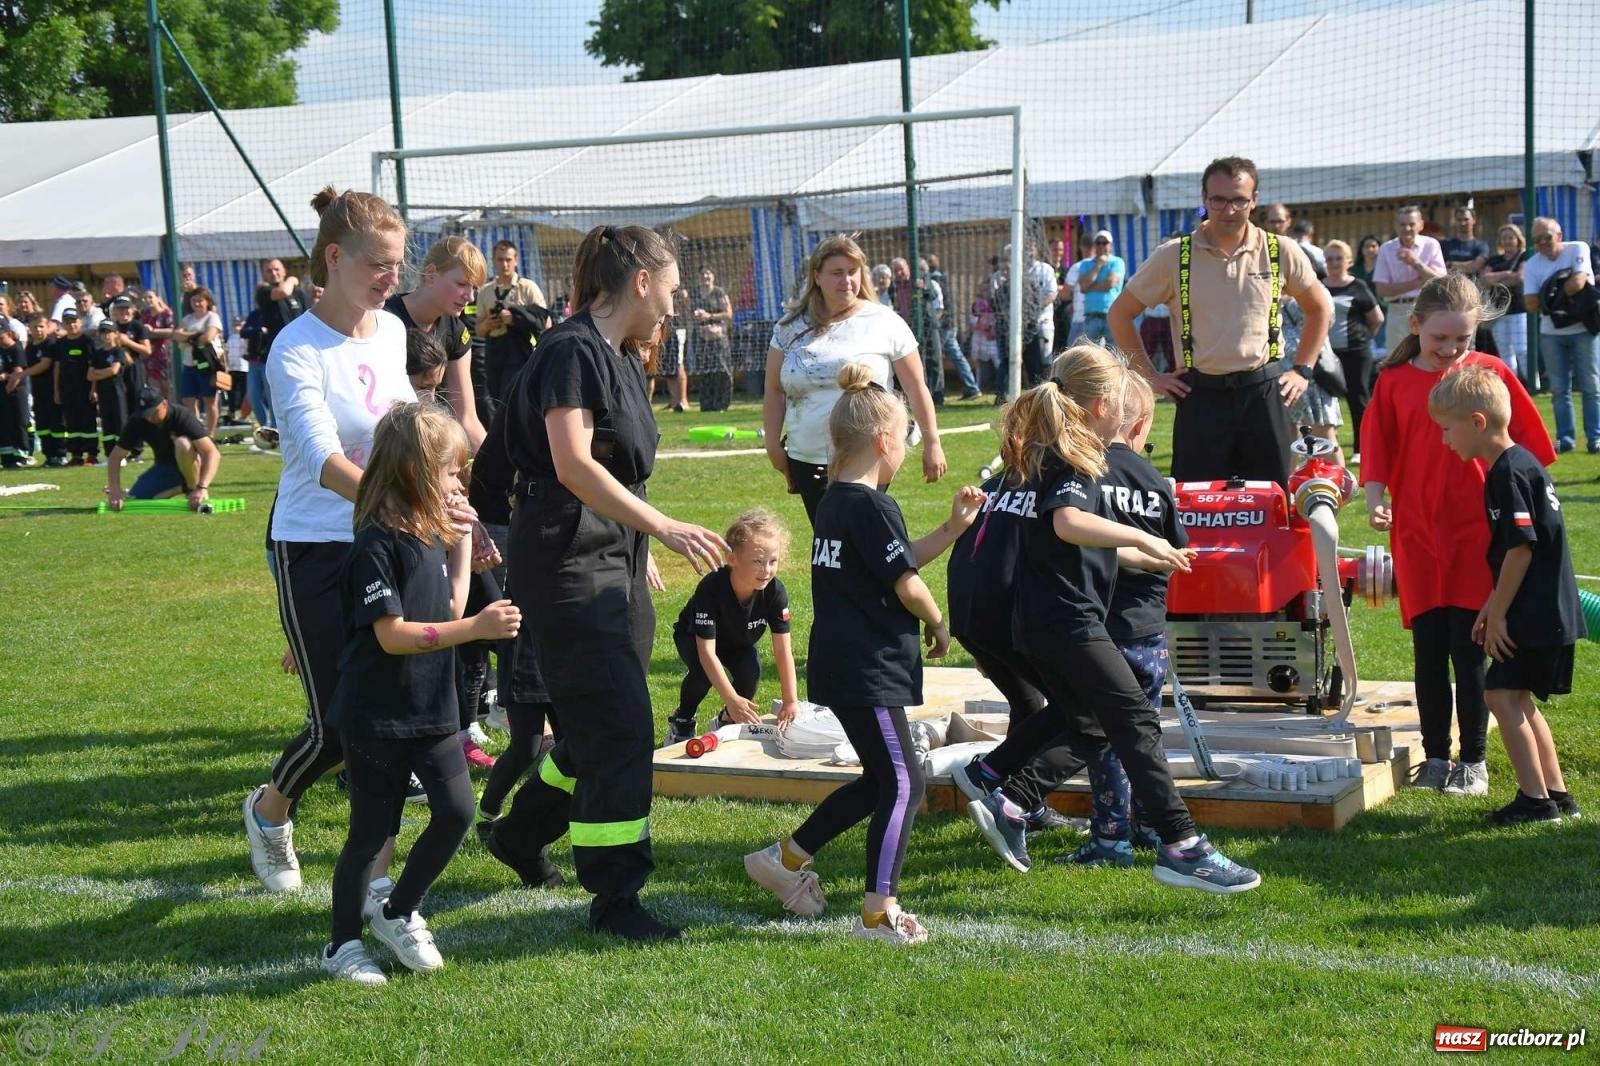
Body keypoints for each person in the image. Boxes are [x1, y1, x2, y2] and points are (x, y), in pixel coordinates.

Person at [487, 223, 728, 942]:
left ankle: (519, 835)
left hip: (612, 557)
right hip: (565, 559)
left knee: (597, 726)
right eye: (673, 288)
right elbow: (572, 465)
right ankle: (615, 896)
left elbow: (617, 466)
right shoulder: (570, 350)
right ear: (642, 281)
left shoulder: (621, 355)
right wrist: (663, 526)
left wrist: (636, 543)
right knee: (622, 727)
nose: (676, 304)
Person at [958, 346, 1259, 893]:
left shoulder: (1060, 452)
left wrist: (1150, 555)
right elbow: (1071, 524)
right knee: (1135, 725)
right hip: (1067, 622)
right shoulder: (1076, 459)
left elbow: (1080, 544)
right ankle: (1182, 847)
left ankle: (1007, 799)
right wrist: (1142, 534)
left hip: (1053, 620)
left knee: (1090, 720)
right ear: (1103, 406)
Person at [744, 362, 984, 944]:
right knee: (905, 784)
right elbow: (905, 582)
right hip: (868, 665)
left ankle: (786, 857)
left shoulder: (832, 500)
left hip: (844, 660)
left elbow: (892, 562)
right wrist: (937, 621)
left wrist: (952, 529)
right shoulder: (869, 506)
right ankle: (879, 912)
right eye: (904, 439)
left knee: (882, 779)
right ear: (883, 441)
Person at [246, 186, 419, 895]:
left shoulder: (392, 331)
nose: (391, 277)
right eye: (379, 264)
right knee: (337, 726)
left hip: (388, 536)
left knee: (393, 708)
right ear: (334, 258)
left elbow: (407, 426)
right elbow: (320, 459)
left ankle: (375, 878)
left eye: (398, 264)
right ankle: (268, 810)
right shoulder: (295, 347)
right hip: (314, 545)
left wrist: (441, 485)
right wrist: (411, 498)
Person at [320, 402, 522, 984]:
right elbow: (392, 635)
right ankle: (340, 946)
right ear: (413, 471)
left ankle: (400, 910)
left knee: (457, 813)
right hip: (377, 715)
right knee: (370, 834)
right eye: (452, 470)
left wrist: (460, 542)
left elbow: (453, 606)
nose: (461, 481)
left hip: (434, 707)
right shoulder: (375, 544)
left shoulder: (429, 534)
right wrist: (477, 631)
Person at [1361, 273, 1555, 796]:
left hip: (1480, 538)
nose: (1450, 350)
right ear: (1416, 325)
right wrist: (1377, 498)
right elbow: (1376, 446)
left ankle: (1474, 760)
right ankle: (1435, 758)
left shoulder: (1490, 374)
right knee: (1428, 650)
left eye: (1461, 340)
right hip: (1419, 536)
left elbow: (1529, 453)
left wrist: (1533, 512)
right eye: (1439, 338)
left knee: (1470, 649)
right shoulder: (1395, 379)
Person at [1109, 156, 1331, 488]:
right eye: (1219, 200)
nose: (1229, 210)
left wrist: (1302, 370)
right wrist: (1149, 376)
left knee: (1272, 499)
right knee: (1195, 503)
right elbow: (1120, 313)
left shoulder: (1279, 250)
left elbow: (1320, 308)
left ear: (1254, 200)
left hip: (1264, 393)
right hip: (1200, 396)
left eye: (1239, 200)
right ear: (1204, 199)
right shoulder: (1174, 255)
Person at [1427, 367, 1582, 827]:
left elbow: (1521, 547)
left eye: (1447, 429)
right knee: (1519, 697)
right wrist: (1491, 603)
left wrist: (1499, 613)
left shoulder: (1505, 473)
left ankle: (1536, 803)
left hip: (1534, 613)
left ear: (1477, 422)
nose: (1444, 440)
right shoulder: (1523, 464)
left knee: (1499, 695)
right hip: (1548, 610)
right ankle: (1556, 793)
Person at [762, 234, 947, 524]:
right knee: (829, 541)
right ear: (817, 276)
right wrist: (773, 445)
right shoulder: (789, 327)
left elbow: (915, 386)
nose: (846, 280)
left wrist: (932, 443)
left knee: (860, 536)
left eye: (853, 272)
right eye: (837, 273)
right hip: (806, 457)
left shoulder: (885, 321)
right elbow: (774, 391)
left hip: (869, 454)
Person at [662, 508, 801, 747]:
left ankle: (726, 720)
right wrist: (730, 696)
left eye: (772, 561)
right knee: (703, 672)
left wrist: (790, 701)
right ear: (732, 559)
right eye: (757, 561)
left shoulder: (775, 592)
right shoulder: (711, 588)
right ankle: (683, 720)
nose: (766, 570)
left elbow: (782, 651)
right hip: (694, 637)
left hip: (738, 642)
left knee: (751, 670)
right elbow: (706, 653)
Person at [384, 236, 489, 451]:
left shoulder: (456, 332)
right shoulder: (384, 319)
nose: (470, 296)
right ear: (431, 274)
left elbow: (467, 417)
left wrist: (498, 471)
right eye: (461, 284)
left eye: (474, 288)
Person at [1520, 217, 1597, 453]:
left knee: (1591, 386)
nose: (1543, 243)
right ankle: (1565, 439)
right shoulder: (1532, 263)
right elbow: (1531, 303)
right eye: (1537, 240)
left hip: (1584, 329)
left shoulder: (1578, 248)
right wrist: (1558, 295)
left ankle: (1595, 438)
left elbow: (1578, 283)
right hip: (1551, 332)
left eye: (1548, 237)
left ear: (1559, 236)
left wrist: (1550, 295)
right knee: (1559, 389)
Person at [105, 385, 221, 510]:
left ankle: (193, 489)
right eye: (145, 414)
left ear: (164, 404)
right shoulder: (137, 421)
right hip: (165, 467)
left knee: (183, 444)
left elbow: (212, 453)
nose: (149, 418)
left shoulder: (181, 415)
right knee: (136, 500)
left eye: (153, 412)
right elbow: (115, 457)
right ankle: (184, 487)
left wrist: (202, 488)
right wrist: (115, 488)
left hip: (192, 464)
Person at [1322, 240, 1383, 460]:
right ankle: (1325, 448)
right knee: (1325, 402)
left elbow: (1377, 318)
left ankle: (1360, 449)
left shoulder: (1358, 286)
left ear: (1348, 261)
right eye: (1329, 258)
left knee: (1358, 400)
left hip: (1356, 352)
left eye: (1339, 258)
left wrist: (1363, 339)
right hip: (1326, 355)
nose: (1334, 262)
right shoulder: (1319, 286)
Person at [478, 241, 549, 404]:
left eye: (508, 259)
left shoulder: (528, 287)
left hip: (521, 349)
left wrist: (516, 318)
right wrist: (488, 324)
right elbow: (479, 330)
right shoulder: (485, 291)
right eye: (500, 259)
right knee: (497, 398)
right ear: (494, 260)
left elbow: (545, 321)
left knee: (516, 396)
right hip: (494, 350)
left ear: (516, 260)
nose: (504, 264)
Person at [1372, 205, 1446, 354]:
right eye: (1402, 224)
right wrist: (1419, 282)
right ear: (1395, 226)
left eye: (1411, 224)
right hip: (1397, 311)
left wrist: (1415, 262)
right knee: (1397, 358)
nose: (1407, 228)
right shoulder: (1386, 249)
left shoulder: (1431, 245)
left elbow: (1440, 283)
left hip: (1427, 309)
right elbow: (1381, 289)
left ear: (1420, 225)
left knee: (1429, 356)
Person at [156, 286, 224, 435]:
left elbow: (207, 338)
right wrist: (195, 335)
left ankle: (210, 434)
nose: (197, 303)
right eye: (194, 300)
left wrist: (188, 337)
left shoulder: (212, 317)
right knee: (189, 400)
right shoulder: (187, 318)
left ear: (207, 302)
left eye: (200, 300)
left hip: (208, 365)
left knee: (209, 400)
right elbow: (177, 336)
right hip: (189, 364)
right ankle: (197, 432)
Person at [1482, 223, 1534, 389]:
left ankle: (1532, 384)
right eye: (1504, 238)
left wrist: (1495, 280)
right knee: (1505, 351)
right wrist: (1505, 274)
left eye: (1510, 237)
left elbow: (1519, 278)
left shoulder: (1524, 256)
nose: (1507, 241)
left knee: (1521, 349)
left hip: (1518, 309)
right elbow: (1485, 280)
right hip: (1499, 310)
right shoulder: (1494, 260)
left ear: (1518, 239)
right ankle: (1512, 385)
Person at [926, 253, 981, 401]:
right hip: (948, 324)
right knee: (955, 356)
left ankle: (964, 388)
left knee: (940, 357)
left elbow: (940, 306)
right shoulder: (942, 278)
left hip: (943, 325)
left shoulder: (934, 281)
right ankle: (971, 387)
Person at [51, 309, 99, 466]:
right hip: (67, 389)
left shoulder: (87, 342)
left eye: (74, 321)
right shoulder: (61, 343)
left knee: (88, 421)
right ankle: (76, 455)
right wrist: (56, 390)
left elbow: (94, 367)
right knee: (72, 423)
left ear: (80, 322)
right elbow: (57, 366)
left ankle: (92, 454)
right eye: (68, 321)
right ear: (64, 324)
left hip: (85, 389)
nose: (71, 324)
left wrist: (94, 389)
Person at [690, 265, 734, 413]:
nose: (705, 277)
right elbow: (689, 314)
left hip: (719, 338)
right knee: (704, 371)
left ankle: (722, 404)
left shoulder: (719, 293)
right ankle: (706, 405)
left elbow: (728, 314)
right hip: (702, 339)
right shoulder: (695, 294)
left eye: (708, 273)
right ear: (698, 277)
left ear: (713, 276)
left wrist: (709, 316)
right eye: (702, 274)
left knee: (722, 370)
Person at [22, 313, 63, 466]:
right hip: (37, 391)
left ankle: (61, 453)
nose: (38, 330)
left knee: (56, 422)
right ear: (29, 329)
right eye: (35, 327)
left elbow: (44, 365)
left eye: (41, 326)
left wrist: (21, 374)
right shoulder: (31, 347)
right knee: (43, 424)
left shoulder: (51, 344)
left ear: (47, 327)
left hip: (52, 389)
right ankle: (49, 455)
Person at [86, 320, 130, 456]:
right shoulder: (97, 353)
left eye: (109, 332)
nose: (106, 335)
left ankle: (122, 455)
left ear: (115, 334)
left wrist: (98, 372)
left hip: (117, 391)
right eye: (103, 332)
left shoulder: (118, 351)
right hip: (103, 392)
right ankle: (110, 455)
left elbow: (114, 371)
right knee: (107, 423)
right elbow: (89, 376)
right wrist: (95, 384)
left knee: (120, 421)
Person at [1072, 231, 1122, 344]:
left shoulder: (1117, 262)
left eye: (1104, 243)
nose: (1101, 246)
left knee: (1113, 354)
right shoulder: (1085, 264)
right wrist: (1098, 265)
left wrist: (1090, 286)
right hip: (1091, 316)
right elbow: (1083, 287)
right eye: (1098, 243)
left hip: (1111, 316)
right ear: (1094, 245)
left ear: (1111, 245)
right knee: (1090, 355)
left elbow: (1110, 283)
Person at [0, 323, 29, 466]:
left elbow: (18, 373)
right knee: (5, 423)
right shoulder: (1, 349)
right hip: (4, 392)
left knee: (19, 422)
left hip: (15, 392)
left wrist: (7, 385)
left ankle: (22, 454)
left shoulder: (16, 348)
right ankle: (7, 457)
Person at [139, 289, 175, 395]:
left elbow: (172, 331)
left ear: (157, 298)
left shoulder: (166, 314)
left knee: (166, 385)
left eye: (150, 297)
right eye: (145, 298)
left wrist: (153, 330)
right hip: (149, 353)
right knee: (154, 386)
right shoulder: (144, 314)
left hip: (164, 353)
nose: (147, 300)